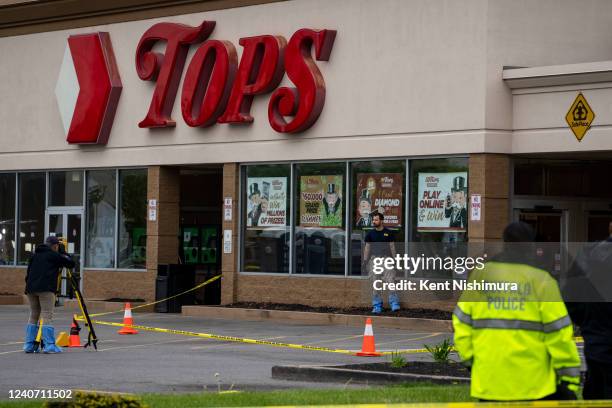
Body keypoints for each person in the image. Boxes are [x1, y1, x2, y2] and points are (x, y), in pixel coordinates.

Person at [453, 222, 581, 401]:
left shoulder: (482, 275)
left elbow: (461, 322)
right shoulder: (542, 280)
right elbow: (559, 333)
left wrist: (470, 360)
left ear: (504, 242)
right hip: (533, 384)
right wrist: (569, 378)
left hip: (489, 381)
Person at [565, 221, 612, 399]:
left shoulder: (588, 255)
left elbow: (571, 295)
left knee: (598, 392)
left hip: (598, 344)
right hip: (597, 337)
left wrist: (587, 323)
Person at [23, 236, 75, 353]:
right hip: (46, 289)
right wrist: (64, 253)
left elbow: (28, 273)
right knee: (47, 315)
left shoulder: (34, 255)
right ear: (55, 246)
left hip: (31, 289)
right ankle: (49, 345)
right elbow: (71, 263)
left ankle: (29, 345)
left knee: (34, 315)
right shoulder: (53, 255)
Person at [362, 212, 400, 313]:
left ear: (381, 221)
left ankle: (394, 303)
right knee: (376, 283)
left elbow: (392, 247)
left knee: (390, 281)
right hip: (374, 260)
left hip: (386, 259)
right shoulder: (370, 234)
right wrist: (365, 261)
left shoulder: (389, 233)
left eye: (376, 220)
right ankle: (377, 305)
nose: (374, 222)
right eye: (373, 220)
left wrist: (395, 260)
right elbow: (367, 248)